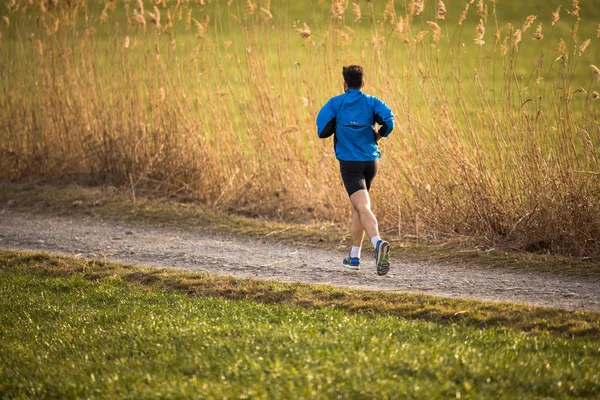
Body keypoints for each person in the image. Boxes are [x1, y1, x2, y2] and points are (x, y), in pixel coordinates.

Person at [316, 65, 395, 276]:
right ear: (363, 83)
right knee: (358, 208)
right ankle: (354, 256)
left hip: (350, 164)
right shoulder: (372, 101)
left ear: (344, 83)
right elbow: (389, 121)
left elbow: (322, 130)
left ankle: (378, 243)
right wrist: (377, 136)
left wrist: (338, 128)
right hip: (371, 163)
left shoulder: (336, 103)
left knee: (362, 206)